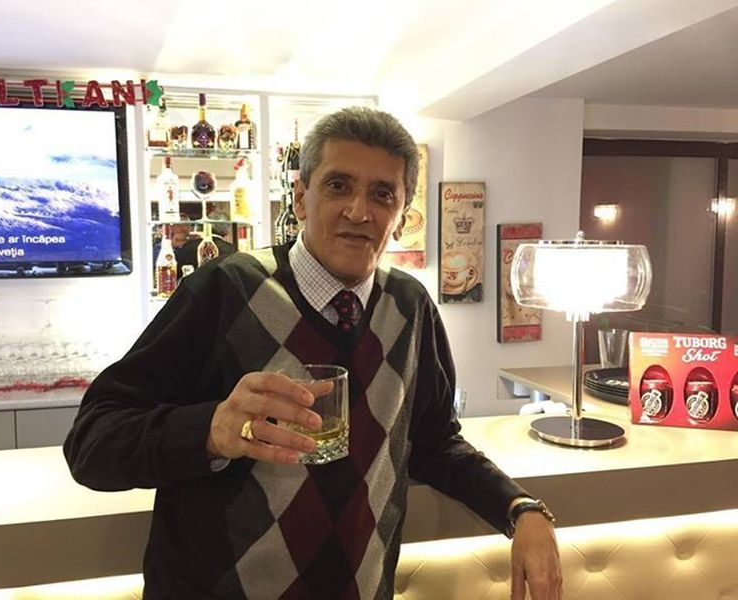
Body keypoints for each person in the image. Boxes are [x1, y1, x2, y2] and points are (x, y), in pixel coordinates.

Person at [64, 106, 562, 599]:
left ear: (401, 215)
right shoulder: (224, 290)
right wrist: (213, 431)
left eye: (382, 194)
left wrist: (519, 509)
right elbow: (92, 442)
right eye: (338, 185)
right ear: (301, 198)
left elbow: (434, 442)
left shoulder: (410, 307)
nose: (359, 211)